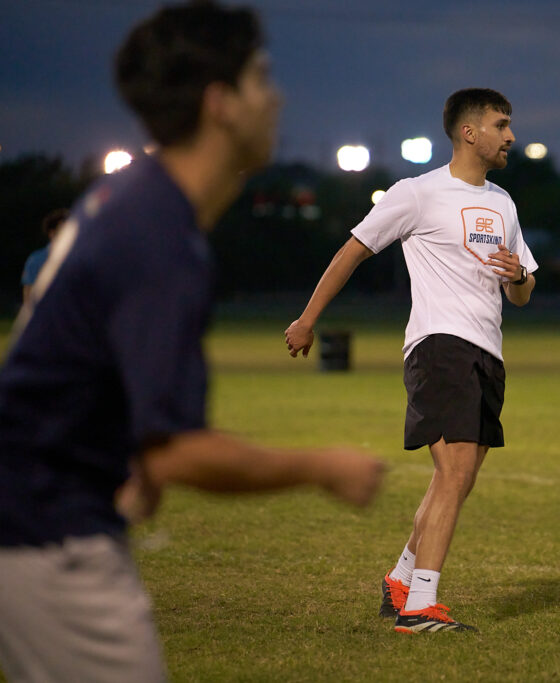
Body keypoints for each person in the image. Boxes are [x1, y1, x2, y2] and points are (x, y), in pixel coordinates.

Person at [0, 3, 384, 681]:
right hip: (45, 531)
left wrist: (127, 458)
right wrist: (322, 466)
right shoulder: (158, 233)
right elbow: (180, 450)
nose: (277, 98)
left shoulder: (133, 198)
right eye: (260, 79)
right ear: (220, 103)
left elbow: (77, 367)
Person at [285, 87, 538, 634]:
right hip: (439, 345)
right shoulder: (417, 193)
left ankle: (402, 579)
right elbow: (352, 251)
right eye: (500, 125)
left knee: (459, 478)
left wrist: (518, 275)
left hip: (487, 352)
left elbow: (522, 292)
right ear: (468, 132)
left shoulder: (503, 202)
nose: (510, 136)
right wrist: (307, 319)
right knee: (454, 473)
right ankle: (420, 606)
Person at [20, 208, 69, 305]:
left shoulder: (80, 258)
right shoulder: (36, 259)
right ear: (52, 233)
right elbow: (28, 294)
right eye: (63, 230)